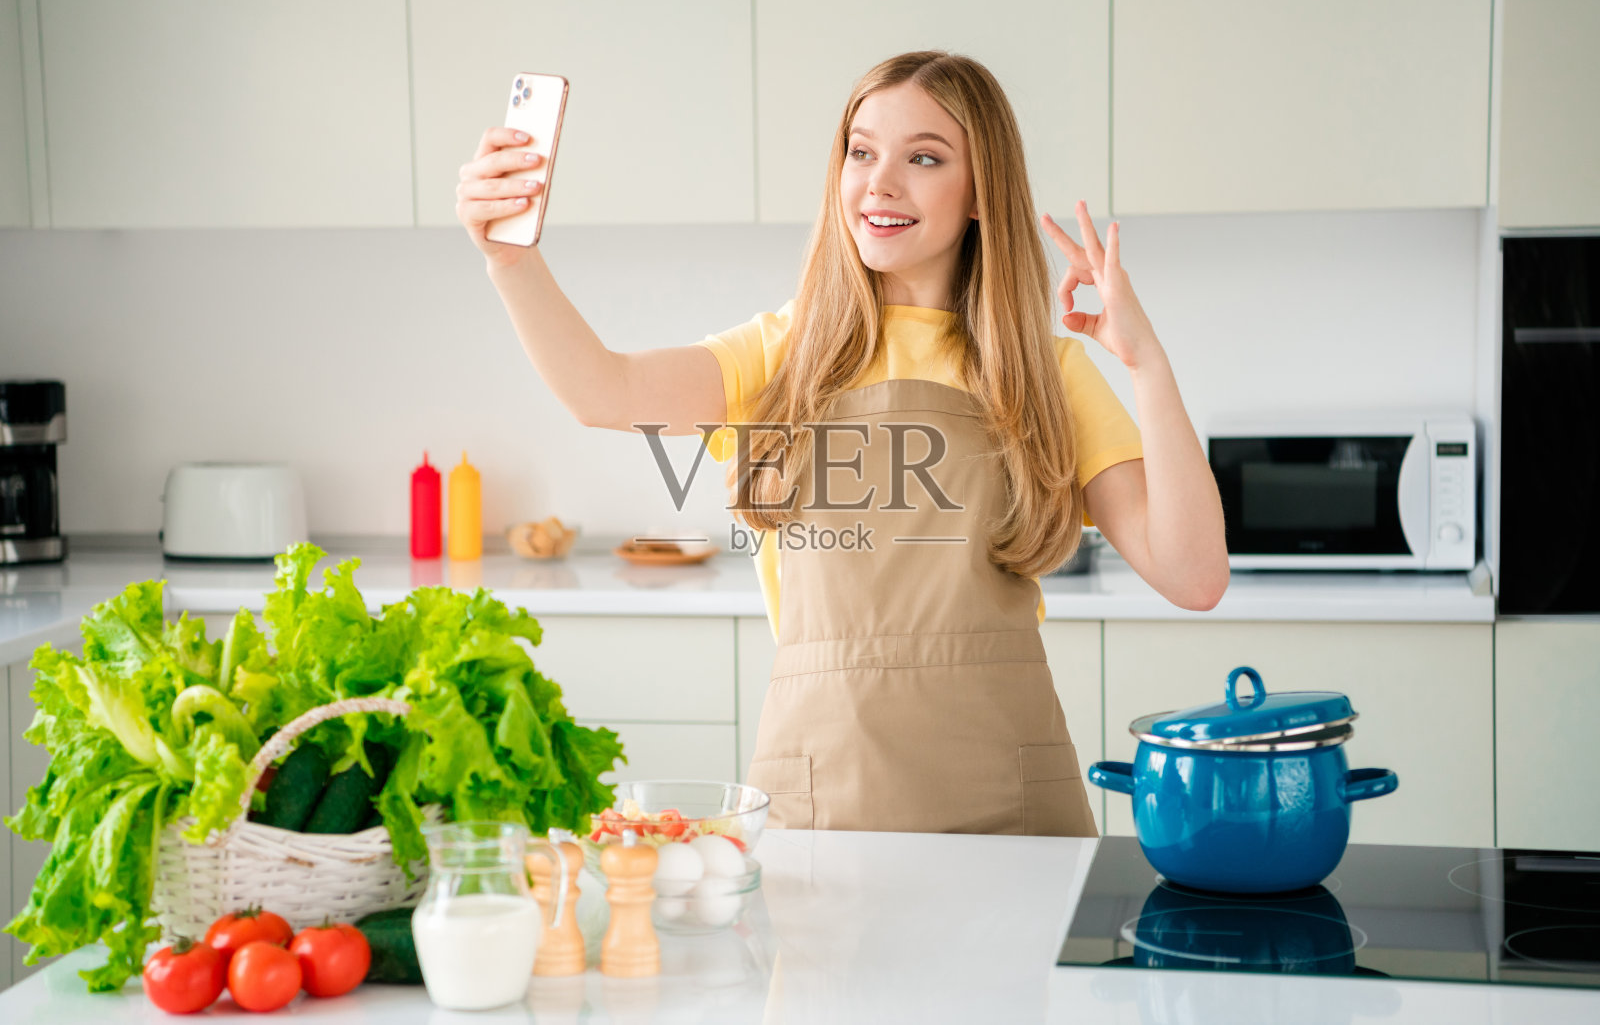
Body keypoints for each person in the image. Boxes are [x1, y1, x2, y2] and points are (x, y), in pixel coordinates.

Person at [456, 50, 1228, 837]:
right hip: (823, 791)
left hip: (1009, 801)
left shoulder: (1043, 370)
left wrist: (1146, 361)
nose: (880, 183)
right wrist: (510, 260)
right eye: (862, 152)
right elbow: (604, 391)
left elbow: (1194, 575)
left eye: (923, 158)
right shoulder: (784, 354)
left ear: (980, 193)